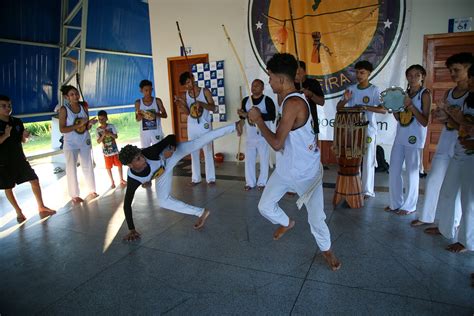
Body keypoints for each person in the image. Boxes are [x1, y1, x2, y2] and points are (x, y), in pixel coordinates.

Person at [248, 53, 341, 271]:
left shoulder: (294, 103)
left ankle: (327, 250)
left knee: (317, 218)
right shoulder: (287, 98)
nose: (268, 81)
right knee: (264, 206)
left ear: (281, 80)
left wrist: (258, 120)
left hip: (307, 173)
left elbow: (278, 143)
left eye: (270, 77)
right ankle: (286, 222)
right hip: (285, 170)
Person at [119, 121, 243, 241]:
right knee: (163, 201)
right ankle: (201, 213)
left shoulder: (149, 153)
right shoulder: (133, 180)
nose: (143, 159)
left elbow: (171, 137)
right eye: (138, 159)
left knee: (197, 143)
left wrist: (171, 148)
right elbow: (127, 204)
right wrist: (131, 229)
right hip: (163, 173)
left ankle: (233, 126)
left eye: (140, 155)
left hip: (173, 154)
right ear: (130, 165)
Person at [411, 53, 472, 228]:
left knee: (455, 189)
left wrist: (450, 115)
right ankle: (427, 217)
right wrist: (441, 114)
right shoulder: (450, 92)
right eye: (451, 70)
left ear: (469, 69)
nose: (453, 74)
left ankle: (451, 224)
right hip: (446, 140)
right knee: (433, 179)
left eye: (457, 70)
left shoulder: (471, 94)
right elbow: (441, 116)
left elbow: (464, 121)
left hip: (463, 143)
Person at [428, 64, 474, 253]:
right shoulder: (469, 99)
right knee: (448, 191)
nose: (468, 81)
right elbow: (461, 125)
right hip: (459, 151)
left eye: (471, 77)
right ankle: (446, 228)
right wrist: (447, 116)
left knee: (469, 200)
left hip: (471, 155)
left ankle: (467, 241)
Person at [0, 95, 56, 223]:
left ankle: (41, 206)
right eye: (3, 106)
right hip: (3, 162)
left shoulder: (17, 122)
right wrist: (6, 135)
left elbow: (22, 140)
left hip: (19, 158)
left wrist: (25, 136)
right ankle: (18, 211)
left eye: (9, 105)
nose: (7, 108)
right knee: (8, 187)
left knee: (34, 180)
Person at [336, 61, 386, 199]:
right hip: (352, 129)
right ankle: (354, 186)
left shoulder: (374, 90)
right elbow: (339, 108)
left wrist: (365, 107)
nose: (359, 75)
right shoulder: (351, 89)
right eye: (357, 72)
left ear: (369, 73)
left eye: (362, 72)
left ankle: (367, 191)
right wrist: (345, 100)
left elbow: (383, 109)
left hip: (369, 129)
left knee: (368, 159)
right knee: (353, 158)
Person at [386, 65, 431, 215]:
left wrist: (411, 106)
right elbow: (399, 118)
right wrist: (392, 108)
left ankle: (410, 206)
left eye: (416, 75)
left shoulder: (425, 94)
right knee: (394, 169)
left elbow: (424, 121)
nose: (412, 78)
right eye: (410, 75)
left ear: (422, 77)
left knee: (411, 172)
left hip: (415, 137)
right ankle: (395, 203)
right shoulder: (403, 94)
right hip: (401, 135)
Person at [174, 71, 217, 186]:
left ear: (193, 78)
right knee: (193, 151)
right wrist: (180, 105)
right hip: (192, 126)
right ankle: (195, 178)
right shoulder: (185, 95)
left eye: (189, 82)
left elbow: (213, 107)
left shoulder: (205, 91)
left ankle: (211, 178)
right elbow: (188, 112)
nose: (188, 86)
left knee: (207, 151)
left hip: (204, 126)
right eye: (186, 85)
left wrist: (201, 103)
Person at [58, 85, 98, 204]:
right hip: (70, 143)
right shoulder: (64, 109)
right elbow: (62, 129)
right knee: (71, 168)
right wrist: (80, 125)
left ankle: (92, 190)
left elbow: (86, 126)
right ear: (67, 97)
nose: (75, 96)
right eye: (72, 94)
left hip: (84, 140)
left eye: (76, 94)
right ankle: (74, 195)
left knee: (88, 165)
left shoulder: (83, 107)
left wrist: (89, 123)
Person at [238, 79, 276, 191]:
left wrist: (255, 115)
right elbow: (242, 117)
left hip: (263, 136)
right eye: (253, 85)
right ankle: (250, 183)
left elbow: (272, 116)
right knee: (249, 160)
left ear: (262, 88)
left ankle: (262, 183)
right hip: (250, 136)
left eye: (257, 86)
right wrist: (241, 116)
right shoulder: (246, 100)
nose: (254, 87)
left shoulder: (267, 100)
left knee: (264, 160)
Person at [96, 110, 126, 189]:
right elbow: (98, 141)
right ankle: (112, 181)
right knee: (108, 167)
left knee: (119, 165)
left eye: (102, 119)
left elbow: (116, 137)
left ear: (106, 118)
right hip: (106, 152)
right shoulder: (98, 130)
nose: (101, 121)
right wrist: (103, 135)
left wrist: (109, 134)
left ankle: (121, 179)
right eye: (99, 119)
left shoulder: (111, 126)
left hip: (115, 151)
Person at [294, 60, 325, 135]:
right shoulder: (290, 84)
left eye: (299, 73)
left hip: (311, 122)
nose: (296, 76)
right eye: (294, 73)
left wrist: (311, 94)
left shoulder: (313, 83)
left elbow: (321, 102)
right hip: (294, 124)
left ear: (305, 72)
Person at [135, 79, 168, 148]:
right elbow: (137, 119)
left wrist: (155, 114)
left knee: (159, 151)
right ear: (141, 90)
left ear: (152, 89)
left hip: (157, 132)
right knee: (146, 152)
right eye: (146, 90)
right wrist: (140, 116)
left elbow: (165, 115)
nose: (148, 92)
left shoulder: (157, 101)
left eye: (150, 90)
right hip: (144, 133)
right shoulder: (138, 103)